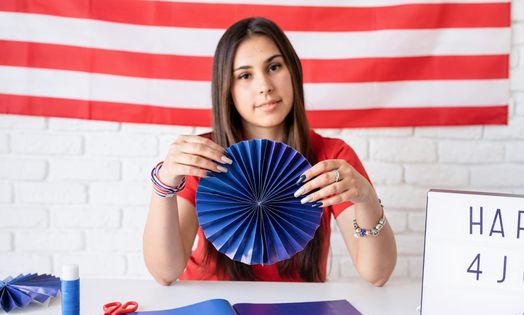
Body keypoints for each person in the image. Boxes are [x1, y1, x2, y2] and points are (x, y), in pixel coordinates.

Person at [143, 17, 396, 286]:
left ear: (293, 72)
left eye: (274, 67)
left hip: (297, 312)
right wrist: (165, 182)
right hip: (213, 305)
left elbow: (377, 274)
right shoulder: (203, 157)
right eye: (245, 75)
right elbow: (165, 272)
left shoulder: (331, 156)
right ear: (226, 89)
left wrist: (366, 198)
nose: (264, 86)